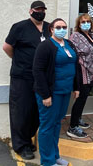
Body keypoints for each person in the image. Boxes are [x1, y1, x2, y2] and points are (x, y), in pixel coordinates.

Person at [2, 0, 49, 160]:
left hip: (41, 78)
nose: (40, 12)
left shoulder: (49, 28)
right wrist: (20, 60)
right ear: (31, 11)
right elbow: (7, 47)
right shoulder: (19, 27)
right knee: (21, 111)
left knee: (36, 111)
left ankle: (28, 140)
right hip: (22, 76)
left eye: (43, 9)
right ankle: (21, 146)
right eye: (37, 9)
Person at [33, 18, 81, 166]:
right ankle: (47, 161)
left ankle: (55, 156)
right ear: (51, 29)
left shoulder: (68, 44)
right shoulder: (45, 46)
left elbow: (76, 66)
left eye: (64, 27)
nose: (62, 29)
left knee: (56, 125)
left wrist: (76, 87)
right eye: (58, 27)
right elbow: (38, 70)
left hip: (65, 92)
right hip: (50, 94)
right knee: (47, 126)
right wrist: (45, 95)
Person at [67, 13, 93, 138]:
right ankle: (73, 127)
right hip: (81, 72)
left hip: (91, 72)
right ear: (79, 24)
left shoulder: (92, 36)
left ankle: (78, 118)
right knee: (80, 99)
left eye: (88, 21)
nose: (85, 23)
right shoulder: (75, 36)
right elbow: (72, 54)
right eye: (83, 21)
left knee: (85, 97)